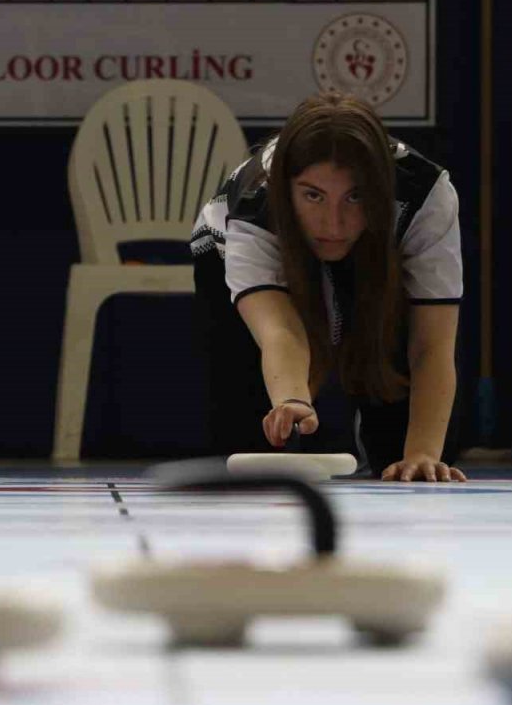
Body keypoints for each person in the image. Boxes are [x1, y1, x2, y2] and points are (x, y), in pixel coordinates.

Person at [191, 92, 466, 483]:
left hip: (379, 254)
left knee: (411, 461)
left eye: (355, 197)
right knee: (252, 448)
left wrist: (422, 452)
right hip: (234, 251)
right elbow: (280, 331)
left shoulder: (425, 195)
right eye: (313, 195)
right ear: (285, 190)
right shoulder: (255, 202)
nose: (332, 224)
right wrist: (291, 400)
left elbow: (431, 345)